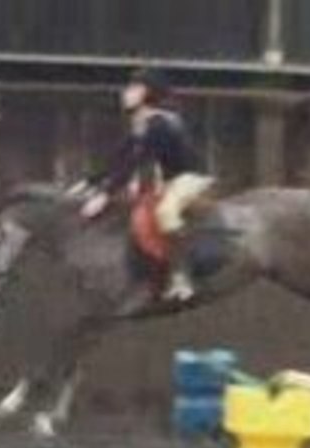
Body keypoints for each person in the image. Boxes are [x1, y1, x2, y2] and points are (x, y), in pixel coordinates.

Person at [81, 67, 214, 301]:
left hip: (190, 178)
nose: (126, 93)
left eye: (133, 89)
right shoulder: (141, 123)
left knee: (166, 212)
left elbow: (136, 162)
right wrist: (90, 182)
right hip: (170, 180)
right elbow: (119, 158)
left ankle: (182, 276)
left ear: (147, 94)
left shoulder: (159, 124)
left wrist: (104, 195)